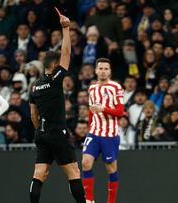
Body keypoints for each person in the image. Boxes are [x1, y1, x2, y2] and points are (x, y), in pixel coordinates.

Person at [28, 8, 85, 203]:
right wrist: (66, 29)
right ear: (53, 66)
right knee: (73, 172)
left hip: (41, 134)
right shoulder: (54, 79)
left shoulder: (34, 86)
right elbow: (67, 54)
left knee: (40, 174)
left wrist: (40, 131)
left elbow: (33, 115)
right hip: (57, 132)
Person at [82, 57, 125, 203]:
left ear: (110, 71)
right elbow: (90, 110)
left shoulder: (116, 88)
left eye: (106, 69)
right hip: (94, 132)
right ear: (96, 70)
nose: (103, 71)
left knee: (111, 169)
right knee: (85, 162)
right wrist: (90, 127)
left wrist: (104, 109)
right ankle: (89, 200)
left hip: (110, 134)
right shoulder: (92, 88)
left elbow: (120, 112)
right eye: (100, 68)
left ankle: (111, 201)